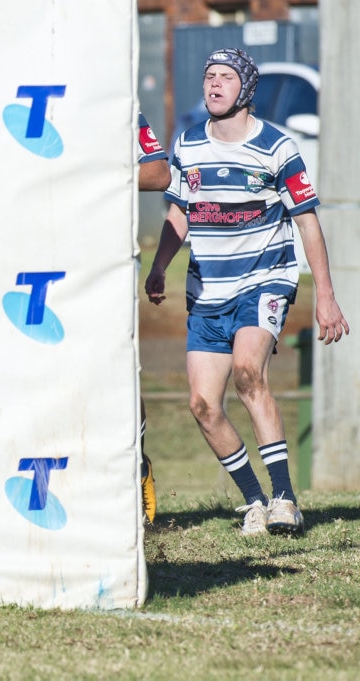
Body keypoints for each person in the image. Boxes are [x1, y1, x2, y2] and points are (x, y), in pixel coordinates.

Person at [145, 48, 349, 537]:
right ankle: (255, 501)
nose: (213, 85)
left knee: (246, 371)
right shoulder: (188, 144)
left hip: (264, 280)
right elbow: (179, 214)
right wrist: (158, 267)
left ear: (246, 90)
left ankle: (284, 499)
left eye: (225, 78)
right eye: (208, 76)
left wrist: (325, 296)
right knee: (202, 404)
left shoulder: (278, 147)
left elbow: (307, 223)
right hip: (207, 289)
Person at [136, 111, 173, 524]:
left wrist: (86, 176)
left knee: (117, 371)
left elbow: (159, 172)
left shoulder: (118, 103)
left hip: (103, 262)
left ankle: (137, 464)